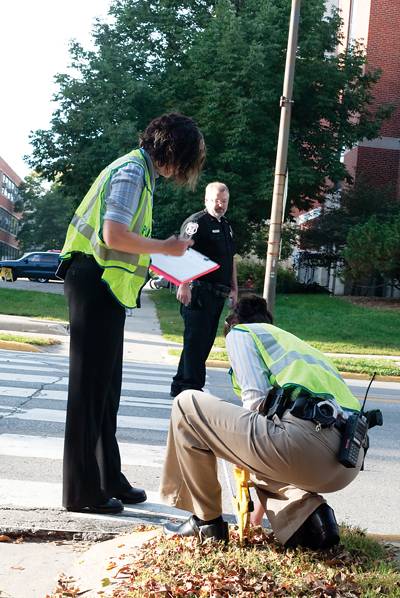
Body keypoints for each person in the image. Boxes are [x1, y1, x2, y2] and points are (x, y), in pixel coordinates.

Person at [58, 113, 205, 515]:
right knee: (89, 393)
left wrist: (168, 261)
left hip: (106, 288)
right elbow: (113, 235)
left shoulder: (139, 172)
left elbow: (126, 244)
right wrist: (166, 248)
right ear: (173, 152)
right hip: (93, 283)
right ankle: (82, 493)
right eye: (186, 161)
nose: (181, 172)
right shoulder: (130, 173)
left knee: (106, 392)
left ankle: (109, 479)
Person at [160, 295, 364, 548]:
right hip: (346, 462)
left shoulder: (241, 333)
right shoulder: (298, 346)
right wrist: (255, 515)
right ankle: (307, 519)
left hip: (306, 444)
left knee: (186, 403)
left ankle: (206, 523)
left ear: (232, 323)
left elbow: (255, 401)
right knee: (262, 446)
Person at [170, 182, 237, 398]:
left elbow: (230, 259)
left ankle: (180, 384)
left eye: (224, 201)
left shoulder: (226, 225)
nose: (220, 204)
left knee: (203, 341)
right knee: (196, 340)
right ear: (206, 200)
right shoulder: (196, 223)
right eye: (216, 200)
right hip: (198, 291)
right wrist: (183, 284)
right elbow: (182, 253)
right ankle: (192, 387)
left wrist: (234, 288)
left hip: (218, 292)